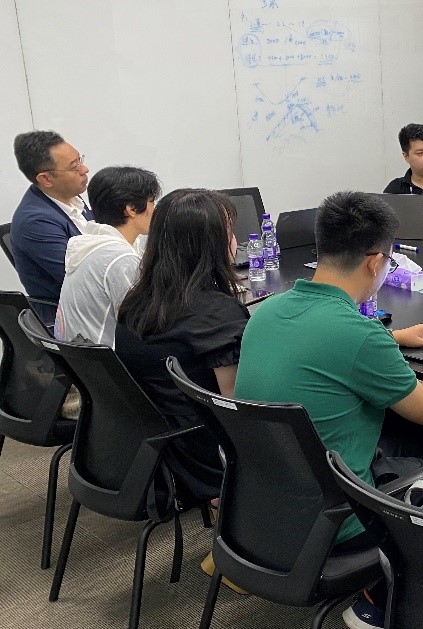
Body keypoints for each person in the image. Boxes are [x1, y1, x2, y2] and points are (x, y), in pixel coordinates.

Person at [233, 191, 423, 629]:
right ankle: (387, 598)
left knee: (399, 441)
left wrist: (394, 337)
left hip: (261, 506)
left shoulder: (267, 312)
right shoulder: (358, 336)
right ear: (375, 263)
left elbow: (323, 346)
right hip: (338, 522)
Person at [115, 189, 247, 504]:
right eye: (229, 234)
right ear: (211, 245)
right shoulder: (215, 315)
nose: (235, 241)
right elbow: (239, 406)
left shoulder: (138, 301)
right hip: (209, 460)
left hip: (159, 452)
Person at [55, 166, 160, 347]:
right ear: (131, 209)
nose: (155, 209)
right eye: (151, 202)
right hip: (107, 357)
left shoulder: (92, 242)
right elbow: (144, 323)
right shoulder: (119, 259)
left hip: (82, 357)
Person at [10, 130, 93, 325]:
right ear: (46, 179)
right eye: (74, 167)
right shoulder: (35, 222)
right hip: (71, 322)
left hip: (94, 307)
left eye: (80, 160)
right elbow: (83, 281)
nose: (85, 169)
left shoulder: (70, 197)